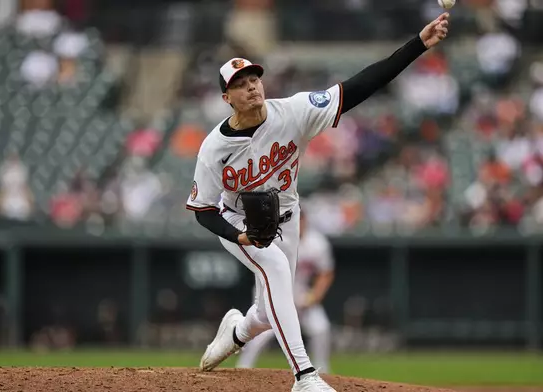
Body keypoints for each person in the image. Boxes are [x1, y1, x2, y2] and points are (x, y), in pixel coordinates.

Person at [185, 13, 450, 391]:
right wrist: (239, 236)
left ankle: (237, 331)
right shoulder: (214, 148)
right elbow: (204, 210)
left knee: (267, 309)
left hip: (287, 217)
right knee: (274, 267)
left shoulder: (293, 111)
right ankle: (305, 376)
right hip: (238, 221)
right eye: (240, 85)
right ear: (227, 98)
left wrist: (418, 44)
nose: (252, 88)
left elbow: (360, 86)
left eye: (254, 79)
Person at [236, 210, 335, 372]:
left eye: (302, 219)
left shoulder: (317, 243)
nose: (299, 223)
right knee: (261, 333)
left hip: (301, 294)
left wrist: (315, 296)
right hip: (273, 292)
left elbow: (326, 273)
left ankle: (324, 372)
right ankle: (243, 368)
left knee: (320, 328)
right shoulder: (276, 237)